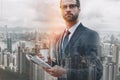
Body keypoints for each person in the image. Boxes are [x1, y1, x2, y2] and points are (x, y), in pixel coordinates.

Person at [43, 0, 103, 80]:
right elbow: (58, 64)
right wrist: (46, 63)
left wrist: (65, 72)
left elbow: (96, 72)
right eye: (64, 7)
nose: (68, 9)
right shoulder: (58, 38)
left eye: (71, 6)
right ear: (60, 10)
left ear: (79, 9)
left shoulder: (91, 35)